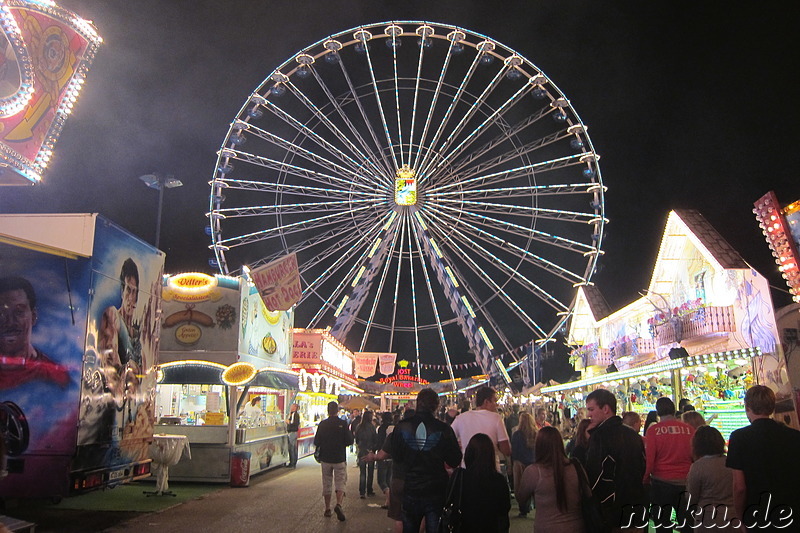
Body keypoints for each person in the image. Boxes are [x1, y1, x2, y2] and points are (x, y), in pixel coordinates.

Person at [364, 388, 462, 533]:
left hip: (410, 487)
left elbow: (396, 455)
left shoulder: (402, 427)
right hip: (435, 489)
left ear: (417, 404)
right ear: (436, 406)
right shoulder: (443, 429)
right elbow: (455, 460)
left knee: (409, 527)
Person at [726, 385, 800, 531]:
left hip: (758, 514)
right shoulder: (795, 436)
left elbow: (739, 487)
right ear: (772, 407)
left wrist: (741, 518)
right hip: (792, 513)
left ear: (747, 407)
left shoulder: (739, 438)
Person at [584, 388, 646, 531]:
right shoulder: (633, 435)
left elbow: (595, 475)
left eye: (591, 409)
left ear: (606, 409)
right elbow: (643, 467)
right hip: (636, 507)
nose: (588, 415)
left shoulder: (600, 436)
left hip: (613, 512)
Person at [0, 276, 69, 389]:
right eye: (1, 313)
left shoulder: (55, 377)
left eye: (19, 312)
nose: (10, 322)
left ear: (33, 317)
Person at [517, 426, 585, 533]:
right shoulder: (576, 466)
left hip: (546, 527)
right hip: (576, 526)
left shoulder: (533, 472)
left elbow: (521, 499)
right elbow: (588, 494)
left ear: (538, 446)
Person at [643, 397, 695, 533]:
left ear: (658, 412)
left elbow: (650, 460)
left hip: (661, 484)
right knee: (687, 524)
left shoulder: (653, 431)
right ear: (673, 410)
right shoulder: (689, 429)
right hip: (686, 483)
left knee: (662, 525)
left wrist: (645, 479)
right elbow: (695, 456)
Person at [686, 425, 737, 532]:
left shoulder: (698, 466)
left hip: (707, 518)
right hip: (732, 517)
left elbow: (691, 497)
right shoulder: (732, 463)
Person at [451, 386, 511, 469]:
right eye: (494, 401)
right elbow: (506, 450)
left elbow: (447, 440)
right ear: (486, 402)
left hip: (467, 471)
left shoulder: (460, 418)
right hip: (490, 470)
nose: (497, 405)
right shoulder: (496, 418)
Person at [461, 433, 511, 532]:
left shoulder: (460, 478)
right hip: (491, 527)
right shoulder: (499, 481)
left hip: (464, 526)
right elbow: (505, 508)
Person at [313, 401, 353, 521]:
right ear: (337, 410)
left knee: (327, 482)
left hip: (325, 458)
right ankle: (339, 504)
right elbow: (349, 441)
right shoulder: (343, 423)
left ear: (327, 410)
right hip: (339, 457)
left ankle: (327, 508)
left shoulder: (322, 424)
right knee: (340, 482)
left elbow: (316, 442)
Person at [511, 412, 537, 517]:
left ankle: (523, 509)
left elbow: (514, 451)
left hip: (520, 464)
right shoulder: (536, 433)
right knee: (535, 488)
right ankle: (537, 508)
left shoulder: (517, 434)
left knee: (521, 488)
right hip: (534, 463)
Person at [355, 410, 378, 498]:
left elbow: (356, 439)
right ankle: (369, 490)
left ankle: (362, 492)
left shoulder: (359, 427)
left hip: (361, 451)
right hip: (370, 451)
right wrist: (372, 449)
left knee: (362, 472)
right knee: (370, 471)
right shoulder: (372, 427)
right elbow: (375, 439)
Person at [376, 411, 394, 508]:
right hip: (392, 457)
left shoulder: (381, 428)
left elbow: (379, 442)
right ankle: (387, 502)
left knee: (381, 481)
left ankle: (389, 499)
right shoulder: (395, 427)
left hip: (383, 455)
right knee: (388, 480)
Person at [285, 402, 300, 468]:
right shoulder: (295, 414)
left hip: (292, 432)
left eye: (292, 407)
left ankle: (292, 462)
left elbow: (293, 423)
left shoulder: (294, 414)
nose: (291, 408)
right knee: (294, 447)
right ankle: (294, 461)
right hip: (294, 432)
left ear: (295, 408)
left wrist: (288, 422)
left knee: (291, 448)